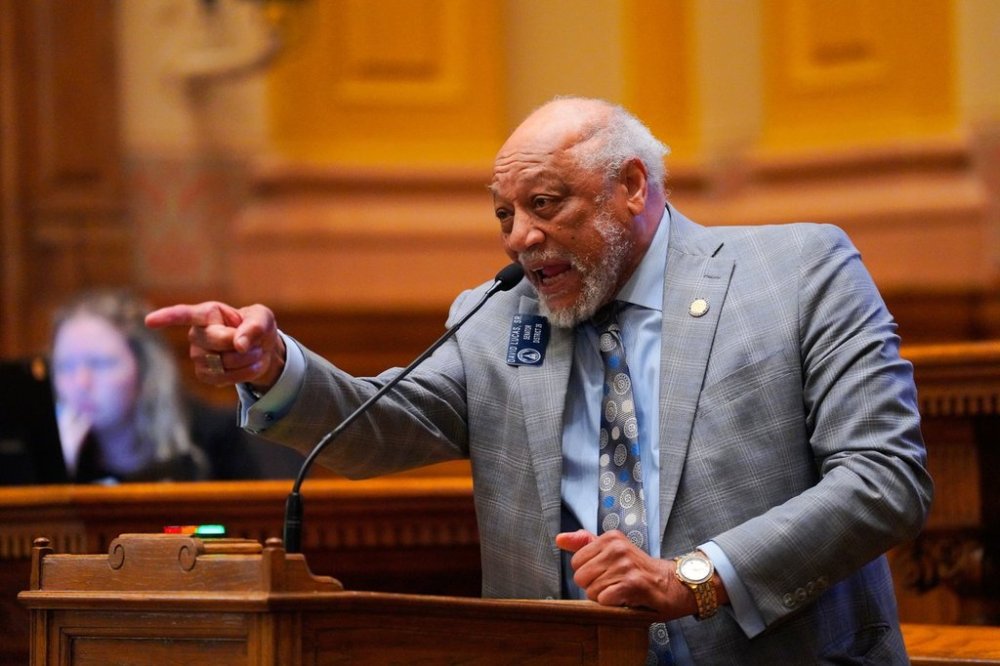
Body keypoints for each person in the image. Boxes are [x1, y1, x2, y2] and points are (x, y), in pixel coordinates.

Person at [146, 97, 933, 664]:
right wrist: (272, 365)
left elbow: (884, 478)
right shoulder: (495, 318)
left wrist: (695, 578)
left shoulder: (795, 274)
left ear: (631, 186)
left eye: (545, 204)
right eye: (503, 215)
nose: (521, 238)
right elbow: (375, 428)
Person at [49, 288, 297, 483]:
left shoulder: (214, 438)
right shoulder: (62, 456)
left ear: (145, 367)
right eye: (64, 366)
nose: (80, 383)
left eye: (100, 363)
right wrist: (58, 468)